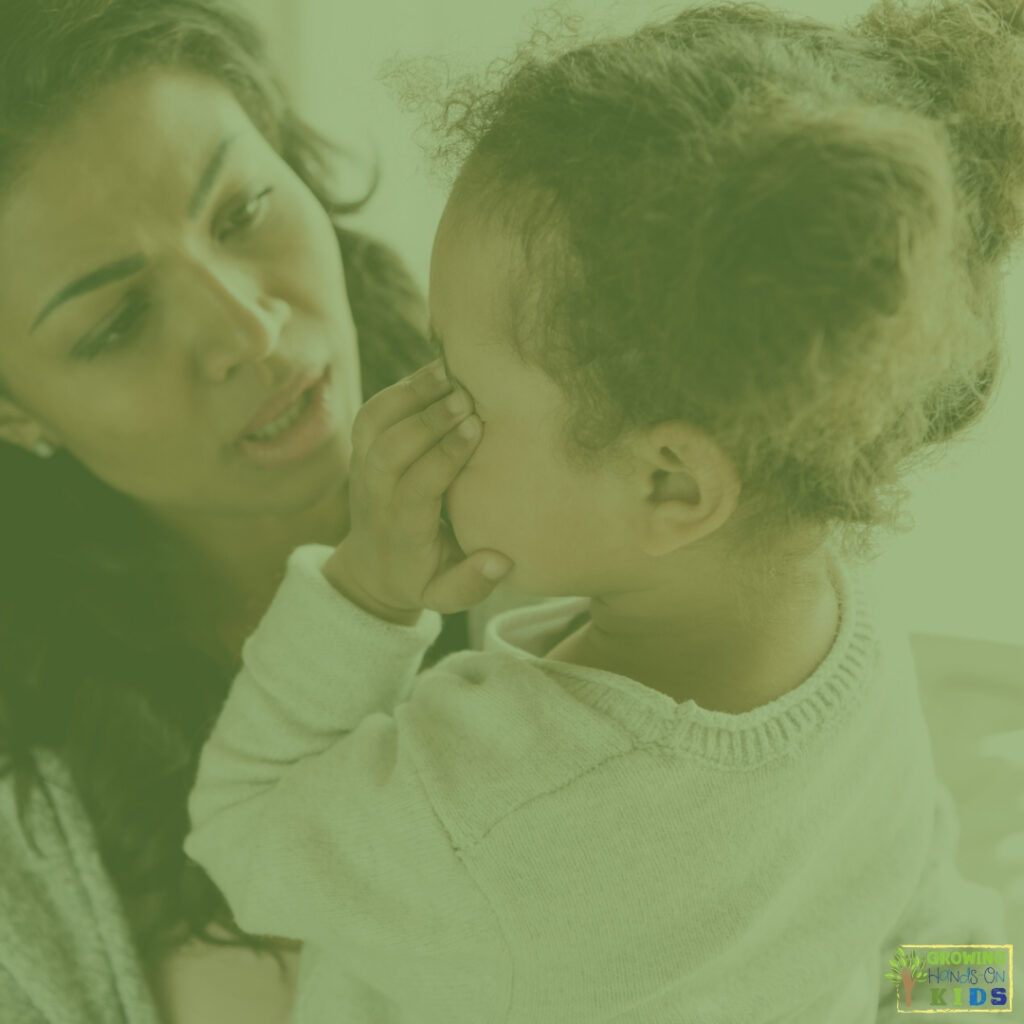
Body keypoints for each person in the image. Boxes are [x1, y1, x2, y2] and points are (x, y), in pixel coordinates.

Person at [184, 0, 1020, 1021]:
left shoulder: (483, 802)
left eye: (454, 372)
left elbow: (243, 826)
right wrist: (981, 992)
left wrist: (363, 590)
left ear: (669, 484)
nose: (417, 389)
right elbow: (915, 913)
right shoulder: (850, 630)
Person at [0, 1, 472, 1021]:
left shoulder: (602, 445)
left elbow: (896, 866)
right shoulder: (29, 808)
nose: (247, 330)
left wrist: (911, 1004)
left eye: (244, 211)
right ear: (13, 411)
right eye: (117, 319)